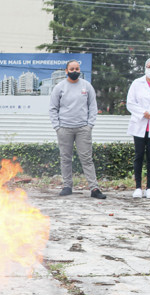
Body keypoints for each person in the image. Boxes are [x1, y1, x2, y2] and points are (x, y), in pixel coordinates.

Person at [49, 60, 106, 199]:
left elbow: (93, 106)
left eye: (77, 68)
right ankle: (67, 186)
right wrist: (57, 127)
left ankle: (94, 188)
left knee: (86, 159)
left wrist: (89, 125)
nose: (75, 71)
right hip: (64, 129)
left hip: (83, 129)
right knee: (65, 158)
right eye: (72, 69)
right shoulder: (59, 87)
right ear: (66, 71)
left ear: (80, 70)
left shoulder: (87, 86)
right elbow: (53, 108)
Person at [127, 56, 150, 199]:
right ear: (145, 67)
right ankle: (138, 187)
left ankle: (149, 188)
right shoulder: (136, 83)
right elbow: (130, 103)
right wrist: (145, 114)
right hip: (140, 123)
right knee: (139, 155)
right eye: (149, 67)